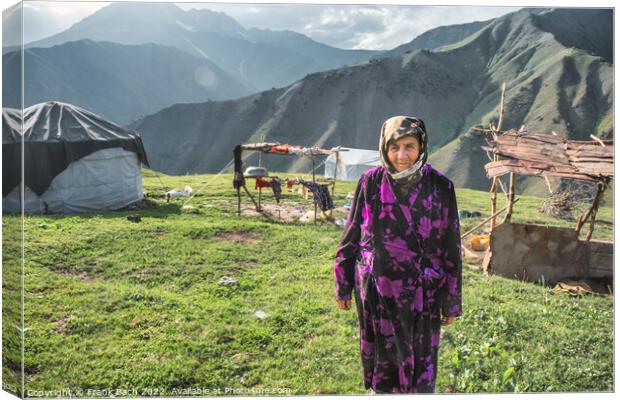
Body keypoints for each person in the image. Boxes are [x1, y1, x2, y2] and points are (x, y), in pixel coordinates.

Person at [333, 116, 462, 394]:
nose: (402, 156)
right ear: (384, 147)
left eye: (409, 146)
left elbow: (451, 247)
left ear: (422, 146)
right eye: (394, 148)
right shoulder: (370, 182)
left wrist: (451, 301)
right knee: (383, 364)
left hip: (422, 295)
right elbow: (352, 234)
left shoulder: (441, 187)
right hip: (378, 293)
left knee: (419, 363)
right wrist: (342, 285)